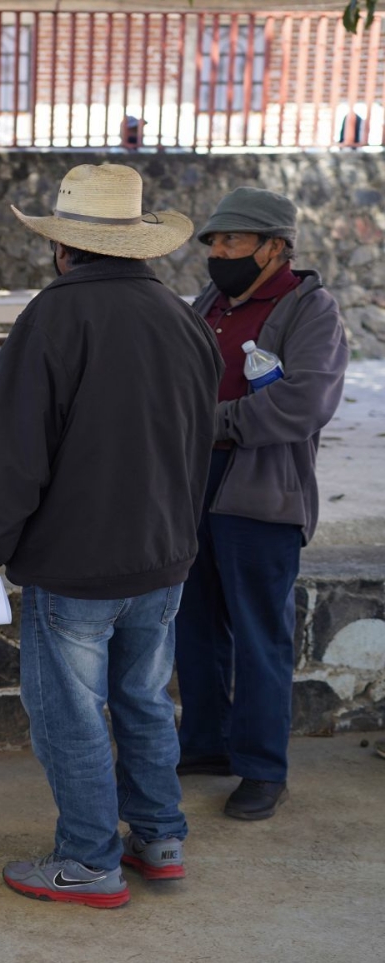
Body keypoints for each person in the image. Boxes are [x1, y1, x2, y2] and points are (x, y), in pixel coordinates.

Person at [0, 164, 222, 908]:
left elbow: (13, 463)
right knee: (146, 703)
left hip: (77, 569)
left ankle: (89, 860)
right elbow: (202, 442)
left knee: (71, 718)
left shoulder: (52, 319)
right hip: (164, 560)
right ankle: (159, 839)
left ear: (64, 248)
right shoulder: (184, 317)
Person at [176, 188, 350, 820]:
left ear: (276, 247)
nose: (217, 253)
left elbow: (302, 405)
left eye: (232, 242)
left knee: (258, 635)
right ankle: (203, 743)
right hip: (194, 487)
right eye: (214, 242)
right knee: (192, 624)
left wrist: (209, 422)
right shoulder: (210, 304)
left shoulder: (312, 311)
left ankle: (261, 768)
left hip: (262, 492)